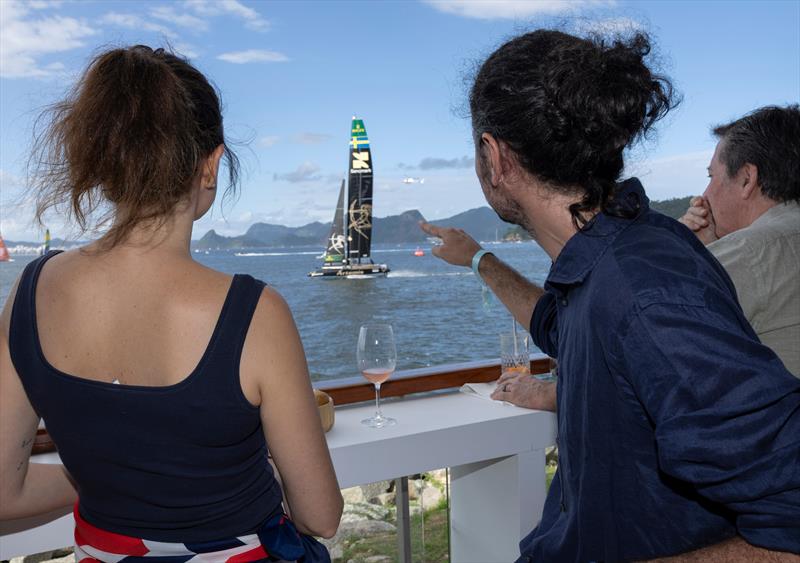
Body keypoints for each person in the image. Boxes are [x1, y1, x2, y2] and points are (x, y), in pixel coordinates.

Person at [420, 30, 800, 561]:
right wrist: (481, 260)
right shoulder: (608, 260)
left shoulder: (645, 289)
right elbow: (561, 327)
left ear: (495, 156)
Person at [0, 46, 342, 561]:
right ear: (211, 165)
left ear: (105, 161)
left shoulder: (30, 292)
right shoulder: (254, 313)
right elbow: (320, 516)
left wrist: (107, 479)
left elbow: (5, 492)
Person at [679, 105, 800, 376]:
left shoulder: (748, 253)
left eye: (711, 176)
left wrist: (693, 250)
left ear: (747, 178)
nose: (704, 194)